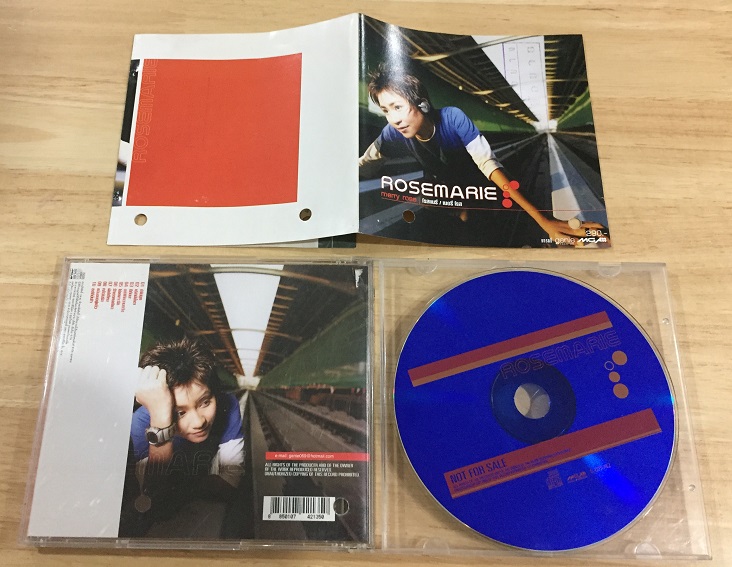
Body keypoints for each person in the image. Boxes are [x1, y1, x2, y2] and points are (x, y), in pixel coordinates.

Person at [359, 64, 607, 245]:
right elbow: (365, 163)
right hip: (449, 201)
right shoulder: (392, 133)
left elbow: (489, 165)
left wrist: (544, 220)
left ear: (422, 104)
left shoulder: (452, 118)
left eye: (398, 107)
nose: (394, 119)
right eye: (386, 111)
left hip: (481, 194)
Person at [129, 337, 244, 521]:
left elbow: (229, 483)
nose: (199, 422)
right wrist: (161, 421)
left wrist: (178, 486)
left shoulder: (228, 405)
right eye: (180, 413)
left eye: (205, 402)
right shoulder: (141, 422)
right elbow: (154, 500)